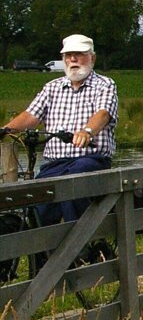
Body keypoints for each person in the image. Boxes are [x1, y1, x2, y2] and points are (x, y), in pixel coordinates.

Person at [2, 34, 118, 227]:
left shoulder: (104, 85)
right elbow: (31, 116)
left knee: (72, 187)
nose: (73, 59)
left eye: (79, 54)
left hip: (89, 160)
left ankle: (77, 247)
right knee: (37, 207)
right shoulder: (51, 88)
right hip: (54, 164)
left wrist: (86, 132)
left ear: (92, 58)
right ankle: (44, 256)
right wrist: (6, 129)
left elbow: (103, 114)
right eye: (68, 55)